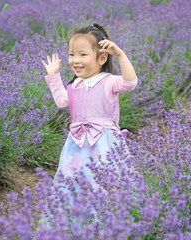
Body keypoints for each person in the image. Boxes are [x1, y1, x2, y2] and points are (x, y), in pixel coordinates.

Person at [42, 23, 137, 205]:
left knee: (102, 184)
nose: (75, 60)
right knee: (70, 181)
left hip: (104, 144)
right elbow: (62, 102)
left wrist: (121, 55)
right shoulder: (74, 85)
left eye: (82, 54)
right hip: (77, 143)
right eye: (71, 54)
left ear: (102, 58)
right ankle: (73, 220)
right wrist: (53, 76)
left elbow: (130, 83)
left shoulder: (108, 82)